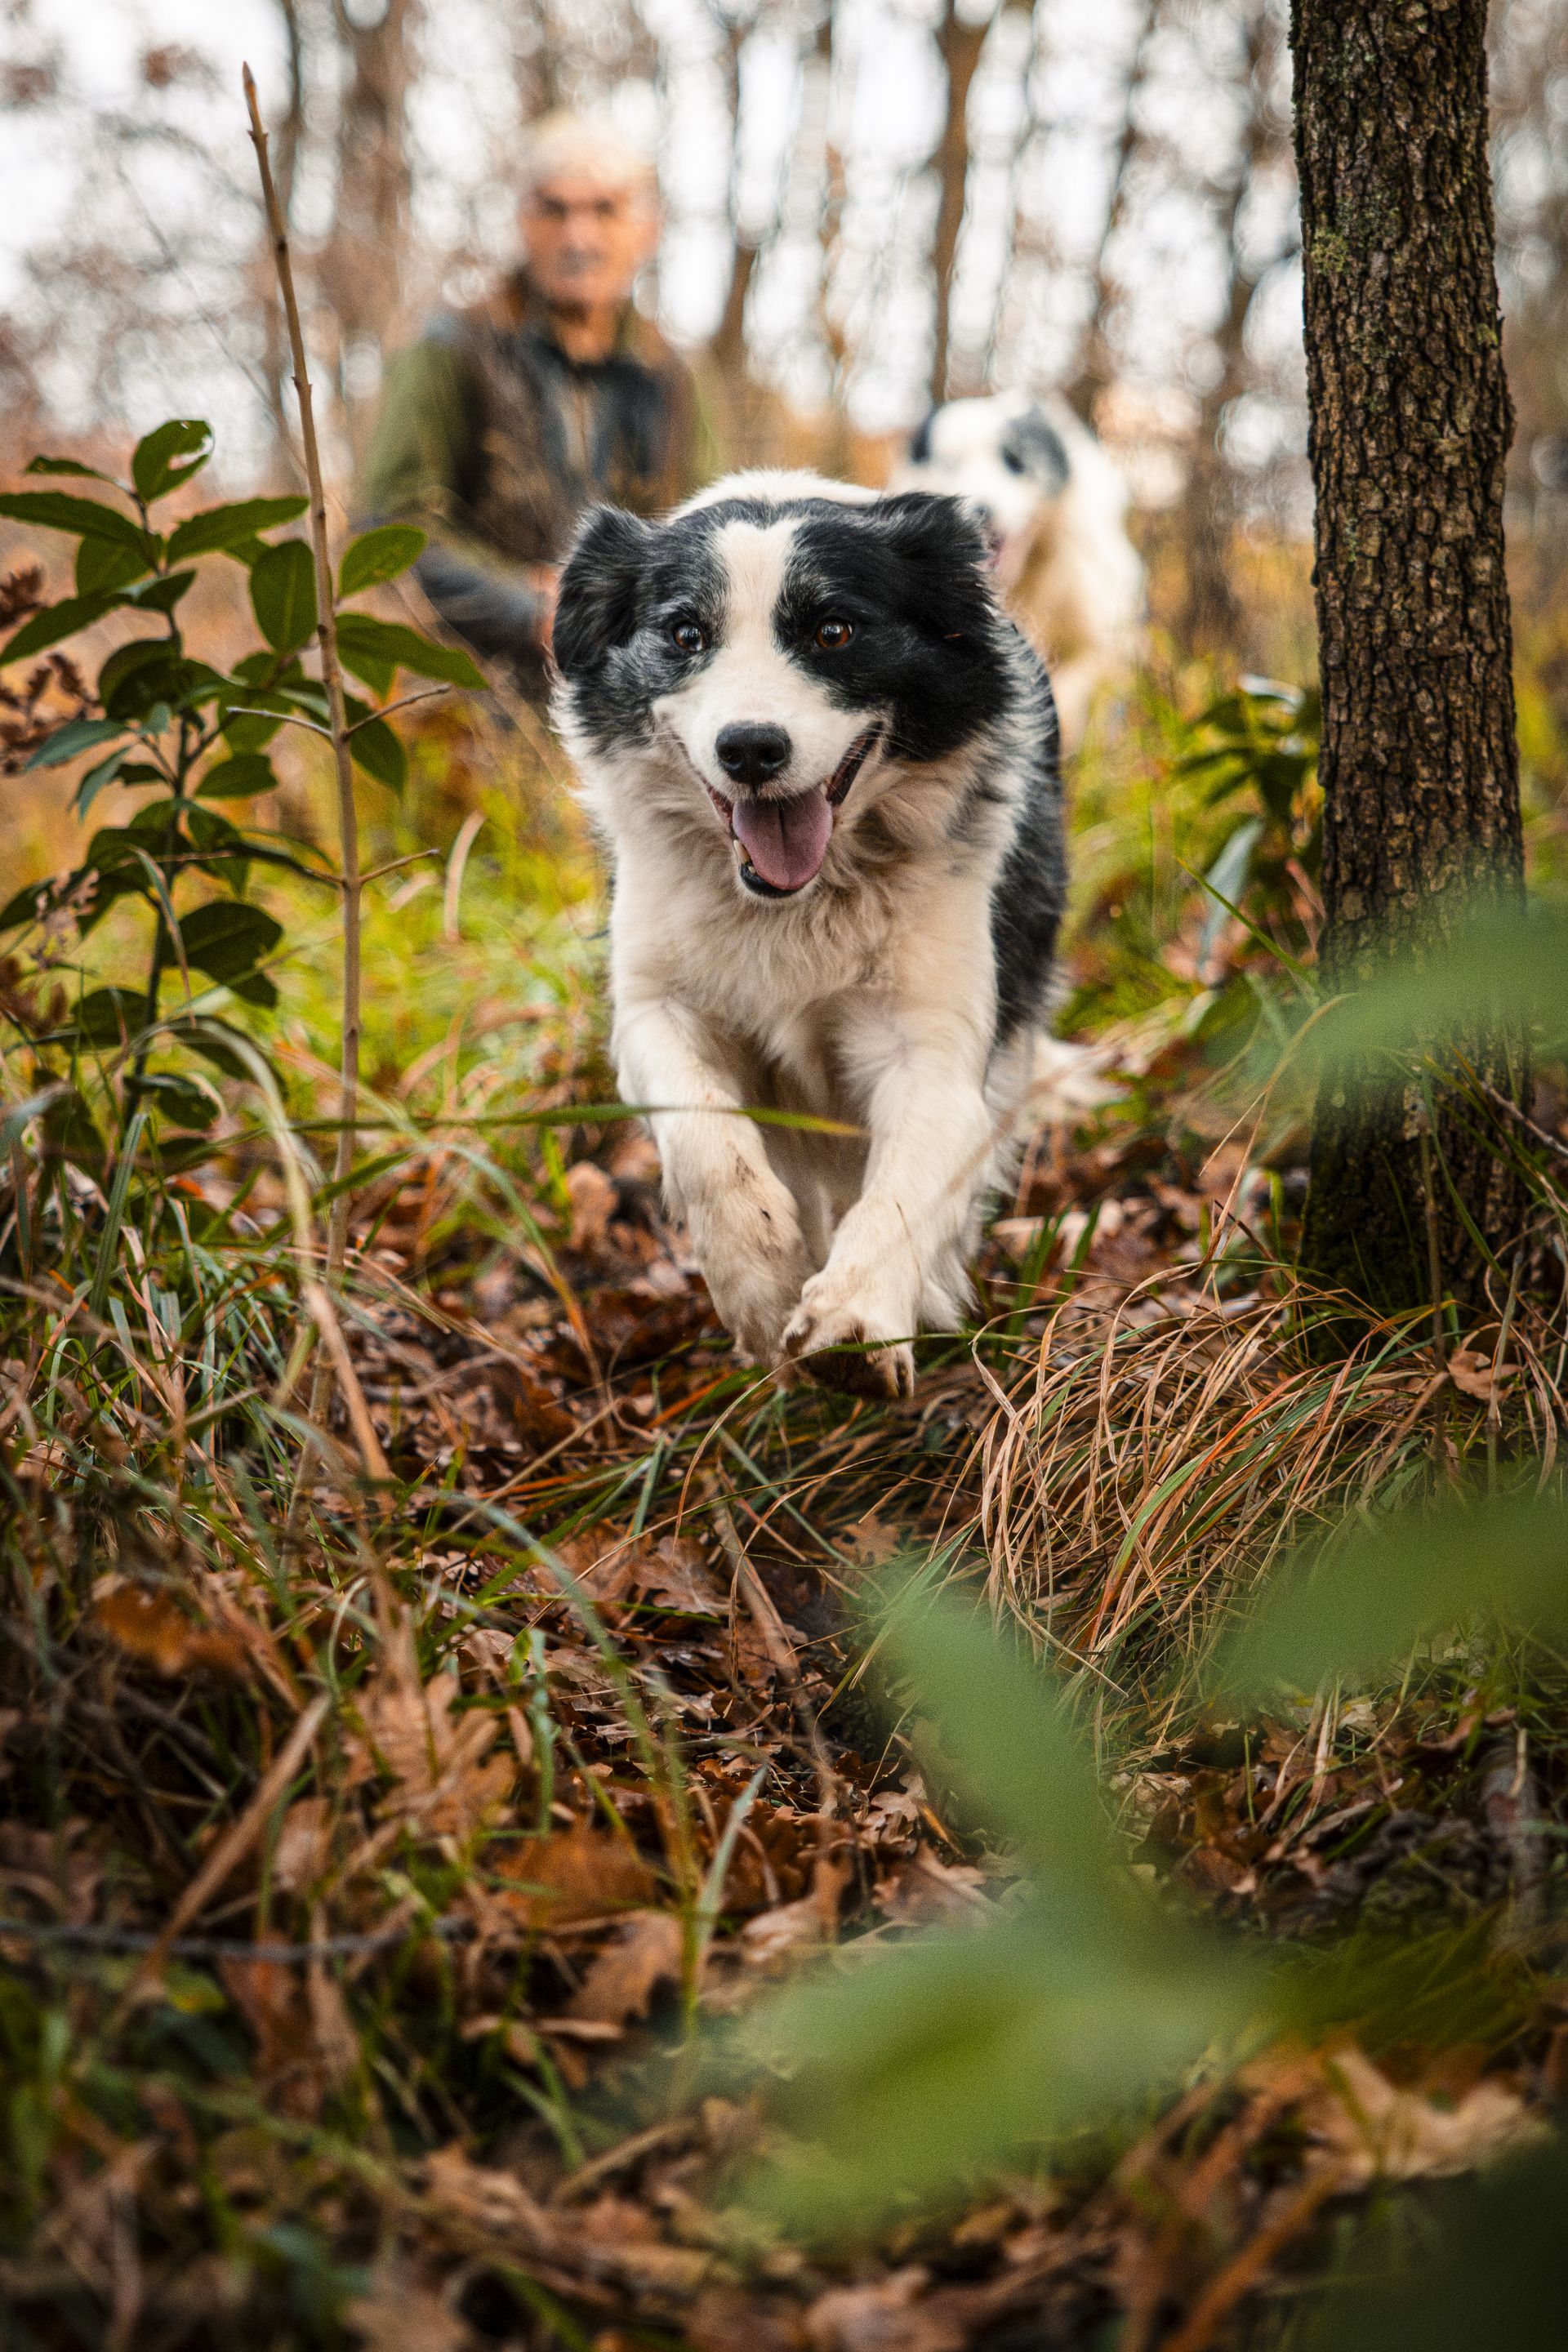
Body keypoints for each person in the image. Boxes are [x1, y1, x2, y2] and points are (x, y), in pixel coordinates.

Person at [361, 111, 720, 697]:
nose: (578, 237)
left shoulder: (675, 375)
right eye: (554, 210)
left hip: (638, 708)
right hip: (474, 699)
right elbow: (393, 525)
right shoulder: (453, 349)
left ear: (646, 228)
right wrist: (529, 609)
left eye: (605, 209)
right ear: (522, 221)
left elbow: (711, 526)